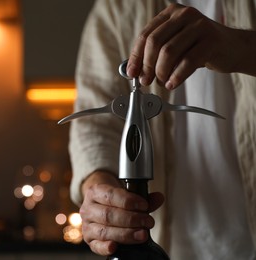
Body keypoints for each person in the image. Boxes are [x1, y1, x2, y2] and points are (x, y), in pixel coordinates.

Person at [69, 0, 256, 259]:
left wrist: (246, 47)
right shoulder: (116, 7)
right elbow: (94, 127)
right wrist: (101, 193)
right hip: (172, 246)